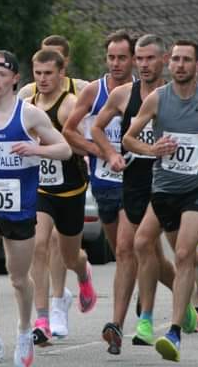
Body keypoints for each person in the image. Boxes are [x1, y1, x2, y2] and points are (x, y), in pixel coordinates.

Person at [123, 40, 198, 362]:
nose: (179, 65)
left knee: (182, 253)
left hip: (197, 189)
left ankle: (173, 332)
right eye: (175, 59)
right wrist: (152, 151)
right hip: (163, 188)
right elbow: (128, 137)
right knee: (142, 243)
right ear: (168, 62)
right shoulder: (157, 99)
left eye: (186, 60)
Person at [0, 50, 72, 366]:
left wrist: (35, 148)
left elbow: (64, 149)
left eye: (1, 75)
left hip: (20, 207)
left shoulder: (30, 115)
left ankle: (24, 330)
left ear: (14, 79)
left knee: (19, 279)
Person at [90, 34, 179, 354]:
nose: (143, 65)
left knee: (175, 253)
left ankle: (190, 290)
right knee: (129, 248)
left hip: (172, 182)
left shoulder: (177, 95)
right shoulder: (123, 95)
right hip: (136, 181)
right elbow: (97, 128)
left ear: (164, 60)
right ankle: (117, 324)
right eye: (138, 59)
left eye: (149, 59)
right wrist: (111, 154)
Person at [18, 34, 88, 339]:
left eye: (49, 74)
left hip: (70, 189)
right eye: (38, 73)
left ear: (62, 73)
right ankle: (43, 319)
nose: (43, 79)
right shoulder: (26, 102)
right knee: (40, 245)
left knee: (71, 254)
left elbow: (79, 147)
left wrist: (43, 146)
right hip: (41, 189)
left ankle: (82, 275)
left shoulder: (70, 103)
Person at [62, 29, 134, 278]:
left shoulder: (144, 92)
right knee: (120, 252)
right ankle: (150, 289)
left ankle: (142, 305)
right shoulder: (94, 91)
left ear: (133, 59)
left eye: (122, 57)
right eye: (111, 57)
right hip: (104, 182)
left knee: (129, 248)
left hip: (135, 182)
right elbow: (69, 131)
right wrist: (100, 150)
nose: (115, 63)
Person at [18, 35, 89, 99]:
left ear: (66, 61)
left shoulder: (83, 89)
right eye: (45, 55)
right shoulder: (27, 93)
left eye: (56, 56)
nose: (48, 59)